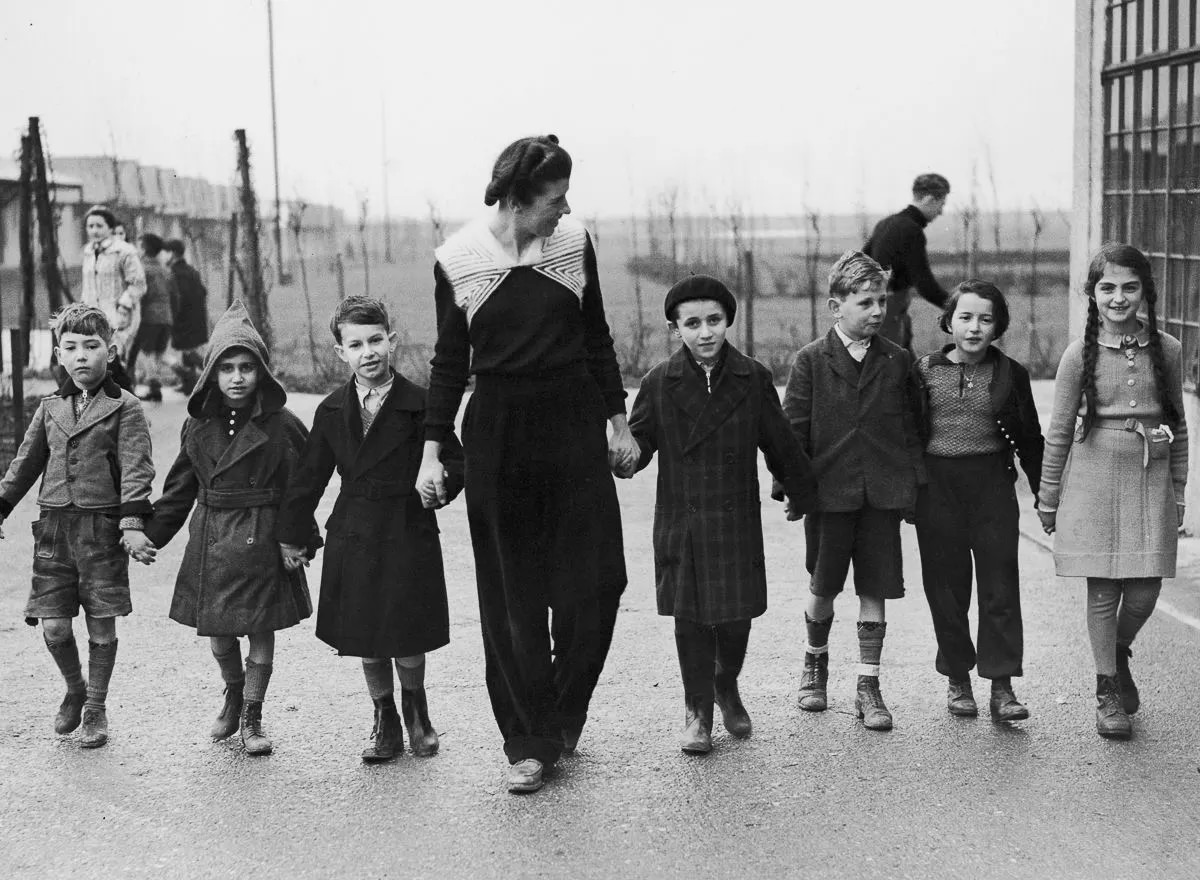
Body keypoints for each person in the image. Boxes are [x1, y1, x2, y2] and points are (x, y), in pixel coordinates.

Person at [416, 134, 637, 794]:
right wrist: (431, 451)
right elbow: (449, 362)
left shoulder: (574, 244)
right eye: (554, 199)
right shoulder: (457, 260)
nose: (564, 210)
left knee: (599, 582)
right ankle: (528, 741)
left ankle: (564, 712)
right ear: (516, 200)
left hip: (572, 423)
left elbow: (596, 337)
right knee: (513, 596)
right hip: (499, 432)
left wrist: (618, 421)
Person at [624, 275, 816, 754]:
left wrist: (799, 490)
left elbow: (780, 442)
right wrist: (623, 455)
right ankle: (697, 712)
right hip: (683, 519)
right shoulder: (659, 382)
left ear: (728, 320)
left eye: (714, 320)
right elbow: (640, 444)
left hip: (735, 518)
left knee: (736, 618)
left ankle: (725, 685)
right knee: (689, 619)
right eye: (692, 323)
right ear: (676, 328)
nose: (705, 332)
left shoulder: (752, 378)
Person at [276, 296, 462, 764]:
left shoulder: (421, 404)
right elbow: (309, 478)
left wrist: (441, 484)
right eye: (356, 345)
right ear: (340, 352)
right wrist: (292, 533)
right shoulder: (332, 410)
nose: (368, 352)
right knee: (365, 633)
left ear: (392, 341)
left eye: (376, 340)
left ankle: (417, 713)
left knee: (408, 631)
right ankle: (385, 720)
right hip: (355, 530)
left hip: (407, 527)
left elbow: (455, 460)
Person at [144, 301, 316, 756]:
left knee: (260, 628)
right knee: (218, 632)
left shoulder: (282, 426)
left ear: (262, 372)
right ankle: (234, 693)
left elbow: (301, 490)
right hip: (213, 536)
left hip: (263, 537)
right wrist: (148, 534)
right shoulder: (197, 425)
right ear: (211, 374)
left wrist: (297, 540)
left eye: (246, 367)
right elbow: (179, 489)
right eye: (226, 368)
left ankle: (253, 715)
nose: (237, 378)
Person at [1037, 244, 1187, 741]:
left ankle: (1118, 651)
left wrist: (1179, 491)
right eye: (1107, 288)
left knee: (1145, 590)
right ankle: (1107, 692)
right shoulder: (1077, 354)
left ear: (1145, 292)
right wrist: (1049, 497)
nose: (1118, 297)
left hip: (1150, 479)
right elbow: (1059, 432)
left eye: (1129, 287)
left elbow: (1179, 427)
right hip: (1094, 479)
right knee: (1103, 588)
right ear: (1092, 293)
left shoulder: (1167, 349)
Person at [0, 303, 155, 749]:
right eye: (71, 347)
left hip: (101, 532)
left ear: (111, 351)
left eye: (91, 346)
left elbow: (137, 468)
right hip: (54, 531)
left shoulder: (126, 407)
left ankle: (96, 708)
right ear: (59, 355)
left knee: (101, 625)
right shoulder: (50, 407)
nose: (81, 355)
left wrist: (131, 523)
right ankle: (75, 688)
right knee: (54, 626)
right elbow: (25, 463)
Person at [781, 251, 924, 731]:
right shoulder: (810, 361)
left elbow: (912, 428)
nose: (877, 311)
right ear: (835, 306)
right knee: (823, 586)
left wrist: (913, 489)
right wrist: (791, 490)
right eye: (865, 302)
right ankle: (814, 663)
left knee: (875, 587)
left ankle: (868, 685)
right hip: (829, 495)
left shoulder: (898, 359)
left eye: (881, 301)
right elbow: (792, 430)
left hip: (881, 495)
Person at [911, 280, 1043, 721]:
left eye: (986, 319)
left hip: (991, 487)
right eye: (965, 317)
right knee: (946, 588)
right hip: (937, 489)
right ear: (949, 321)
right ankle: (958, 678)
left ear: (997, 326)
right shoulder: (923, 371)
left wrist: (1046, 496)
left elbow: (1031, 440)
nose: (974, 327)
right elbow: (905, 435)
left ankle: (1002, 687)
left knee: (999, 585)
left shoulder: (1011, 374)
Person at [864, 173, 951, 350]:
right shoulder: (911, 230)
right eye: (941, 204)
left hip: (874, 312)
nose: (941, 212)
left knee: (907, 365)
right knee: (893, 365)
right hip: (890, 316)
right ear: (929, 199)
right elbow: (925, 284)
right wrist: (955, 306)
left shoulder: (885, 224)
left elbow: (860, 262)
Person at [79, 207, 144, 392]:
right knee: (103, 365)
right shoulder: (88, 251)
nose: (94, 230)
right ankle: (117, 402)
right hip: (93, 318)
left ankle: (128, 403)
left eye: (99, 226)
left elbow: (138, 283)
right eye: (90, 226)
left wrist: (124, 305)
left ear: (110, 228)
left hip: (118, 317)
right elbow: (87, 286)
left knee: (112, 361)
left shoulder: (124, 251)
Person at [128, 232, 178, 402]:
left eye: (139, 245)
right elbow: (175, 296)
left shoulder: (142, 269)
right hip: (167, 317)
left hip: (149, 317)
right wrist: (172, 315)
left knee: (146, 352)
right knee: (158, 353)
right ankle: (182, 374)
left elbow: (141, 294)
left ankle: (154, 387)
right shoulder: (166, 270)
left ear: (144, 248)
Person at [163, 238, 210, 394]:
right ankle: (189, 385)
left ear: (172, 253)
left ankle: (213, 371)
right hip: (197, 319)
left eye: (165, 252)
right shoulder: (191, 270)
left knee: (188, 351)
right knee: (187, 350)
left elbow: (177, 299)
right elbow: (203, 292)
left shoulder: (175, 273)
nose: (163, 256)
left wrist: (173, 318)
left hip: (183, 320)